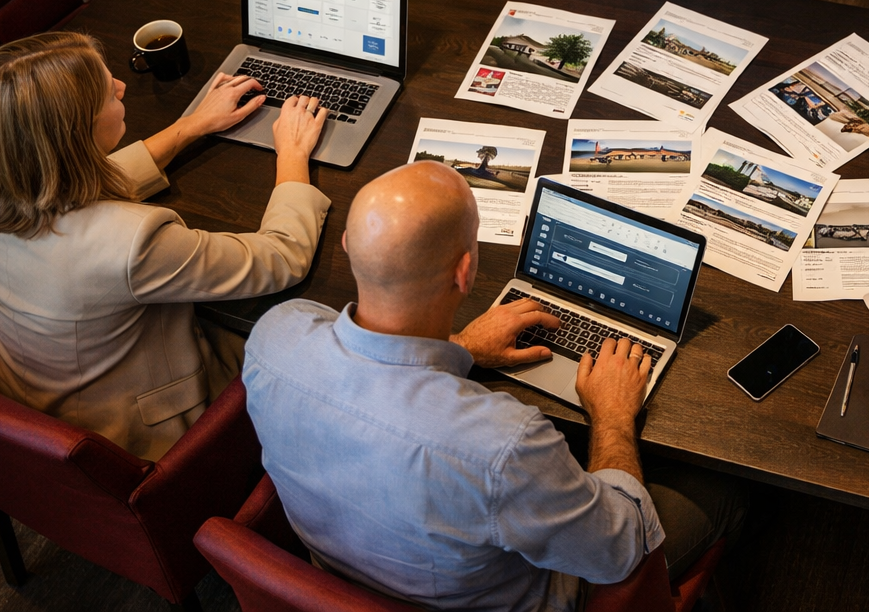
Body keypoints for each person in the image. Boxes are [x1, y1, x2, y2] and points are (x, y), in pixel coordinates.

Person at [243, 160, 747, 612]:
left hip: (337, 578)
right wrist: (613, 415)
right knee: (719, 487)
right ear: (465, 273)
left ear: (350, 245)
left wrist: (461, 344)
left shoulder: (275, 336)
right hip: (522, 596)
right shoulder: (503, 444)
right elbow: (621, 547)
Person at [0, 31, 330, 461]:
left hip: (23, 407)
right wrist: (293, 153)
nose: (121, 86)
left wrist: (190, 126)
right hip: (136, 439)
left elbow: (64, 191)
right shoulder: (131, 241)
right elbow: (282, 258)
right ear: (78, 134)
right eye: (106, 94)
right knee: (315, 342)